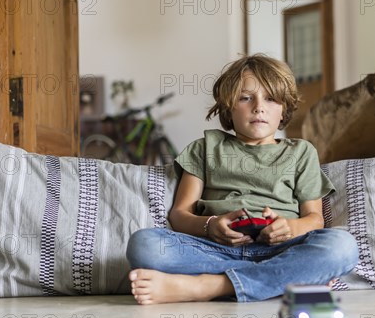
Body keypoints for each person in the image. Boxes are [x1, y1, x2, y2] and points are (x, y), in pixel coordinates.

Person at [126, 54, 358, 304]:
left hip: (283, 249)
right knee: (144, 244)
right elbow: (180, 214)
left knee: (342, 247)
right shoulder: (204, 148)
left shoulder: (301, 152)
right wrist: (211, 225)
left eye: (270, 98)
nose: (258, 106)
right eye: (245, 98)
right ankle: (283, 280)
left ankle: (209, 286)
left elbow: (315, 219)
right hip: (215, 249)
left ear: (283, 110)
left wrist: (290, 228)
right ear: (228, 107)